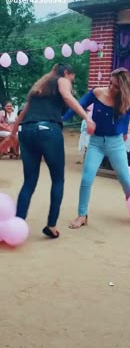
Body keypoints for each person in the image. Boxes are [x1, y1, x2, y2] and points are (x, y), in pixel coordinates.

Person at [0, 63, 95, 238]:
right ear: (66, 73)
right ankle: (51, 225)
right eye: (71, 78)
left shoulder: (39, 87)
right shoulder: (61, 80)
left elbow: (22, 114)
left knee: (29, 181)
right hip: (48, 131)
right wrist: (87, 117)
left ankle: (17, 224)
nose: (71, 82)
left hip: (26, 132)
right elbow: (67, 97)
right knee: (58, 180)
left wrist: (12, 135)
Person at [64, 67, 130, 229]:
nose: (111, 88)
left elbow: (126, 121)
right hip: (96, 143)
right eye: (110, 83)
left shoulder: (127, 101)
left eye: (116, 86)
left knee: (125, 179)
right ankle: (82, 215)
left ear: (123, 89)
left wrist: (124, 131)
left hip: (115, 144)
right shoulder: (97, 93)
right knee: (86, 179)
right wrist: (62, 119)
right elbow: (78, 105)